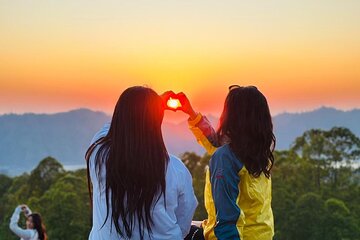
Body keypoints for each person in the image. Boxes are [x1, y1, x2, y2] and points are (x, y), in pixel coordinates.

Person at [85, 86, 198, 240]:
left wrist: (151, 103)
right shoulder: (175, 169)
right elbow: (184, 222)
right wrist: (155, 105)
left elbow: (111, 129)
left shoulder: (99, 155)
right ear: (157, 122)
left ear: (120, 115)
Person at [178, 85, 276, 240]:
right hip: (261, 234)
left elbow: (227, 220)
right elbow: (216, 142)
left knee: (169, 230)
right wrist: (191, 113)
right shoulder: (259, 153)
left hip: (232, 235)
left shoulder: (226, 158)